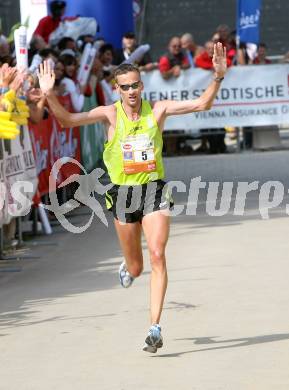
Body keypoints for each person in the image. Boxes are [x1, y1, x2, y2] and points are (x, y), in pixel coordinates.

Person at [37, 42, 227, 353]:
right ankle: (128, 268)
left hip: (154, 190)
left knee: (157, 254)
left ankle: (155, 326)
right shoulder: (109, 115)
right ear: (117, 90)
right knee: (137, 267)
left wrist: (217, 77)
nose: (132, 92)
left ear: (141, 85)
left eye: (136, 85)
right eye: (125, 87)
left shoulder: (159, 109)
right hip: (123, 196)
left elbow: (201, 105)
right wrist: (48, 93)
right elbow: (67, 121)